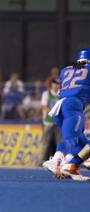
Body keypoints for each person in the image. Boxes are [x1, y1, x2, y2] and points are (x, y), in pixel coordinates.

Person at [43, 49, 90, 181]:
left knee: (79, 140)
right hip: (74, 105)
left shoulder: (65, 70)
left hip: (59, 106)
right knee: (73, 139)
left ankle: (63, 163)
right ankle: (62, 163)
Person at [39, 79, 61, 162]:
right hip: (48, 122)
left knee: (59, 142)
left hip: (58, 122)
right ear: (51, 85)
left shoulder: (60, 93)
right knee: (46, 142)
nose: (56, 85)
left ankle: (58, 160)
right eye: (54, 84)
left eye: (57, 84)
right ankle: (42, 160)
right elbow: (44, 106)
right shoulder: (46, 94)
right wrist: (53, 113)